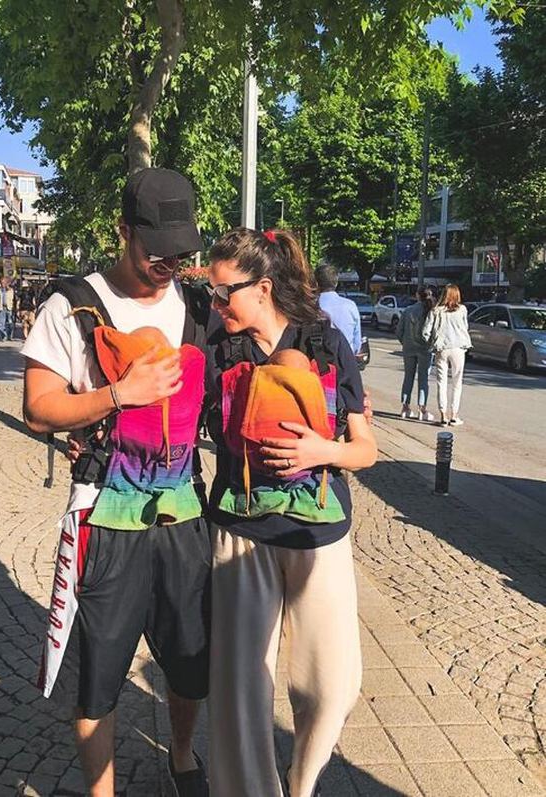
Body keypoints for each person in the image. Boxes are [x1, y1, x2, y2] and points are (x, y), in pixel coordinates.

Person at [21, 167, 210, 797]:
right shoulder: (71, 305)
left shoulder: (197, 305)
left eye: (181, 253)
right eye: (158, 252)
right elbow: (38, 408)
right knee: (100, 672)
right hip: (104, 512)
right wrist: (116, 395)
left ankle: (182, 757)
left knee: (188, 658)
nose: (170, 265)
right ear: (123, 231)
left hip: (184, 510)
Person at [206, 228, 377, 797]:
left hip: (318, 531)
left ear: (262, 288)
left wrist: (321, 451)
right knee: (238, 691)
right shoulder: (219, 350)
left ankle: (300, 783)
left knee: (334, 685)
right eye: (210, 292)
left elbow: (365, 450)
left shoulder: (326, 342)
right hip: (241, 530)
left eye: (223, 292)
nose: (215, 303)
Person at [422, 283, 472, 427]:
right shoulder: (462, 310)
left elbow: (425, 332)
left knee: (441, 382)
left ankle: (443, 415)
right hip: (458, 348)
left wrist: (432, 343)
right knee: (457, 382)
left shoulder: (435, 311)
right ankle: (454, 415)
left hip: (441, 348)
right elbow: (465, 327)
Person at [395, 287, 435, 421]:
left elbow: (399, 331)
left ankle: (405, 408)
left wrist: (405, 342)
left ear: (417, 295)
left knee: (408, 377)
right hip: (425, 349)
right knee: (423, 379)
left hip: (409, 348)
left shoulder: (408, 310)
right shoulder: (431, 310)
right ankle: (422, 409)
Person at [315, 263, 362, 354]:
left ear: (316, 283)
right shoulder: (350, 306)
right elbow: (357, 344)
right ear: (336, 283)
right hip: (346, 358)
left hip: (317, 359)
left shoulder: (309, 306)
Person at [0, 275, 15, 341]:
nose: (2, 284)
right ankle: (4, 336)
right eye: (1, 282)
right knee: (1, 323)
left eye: (4, 282)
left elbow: (13, 299)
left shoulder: (11, 290)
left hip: (9, 307)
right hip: (2, 307)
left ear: (7, 283)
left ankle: (10, 336)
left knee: (10, 322)